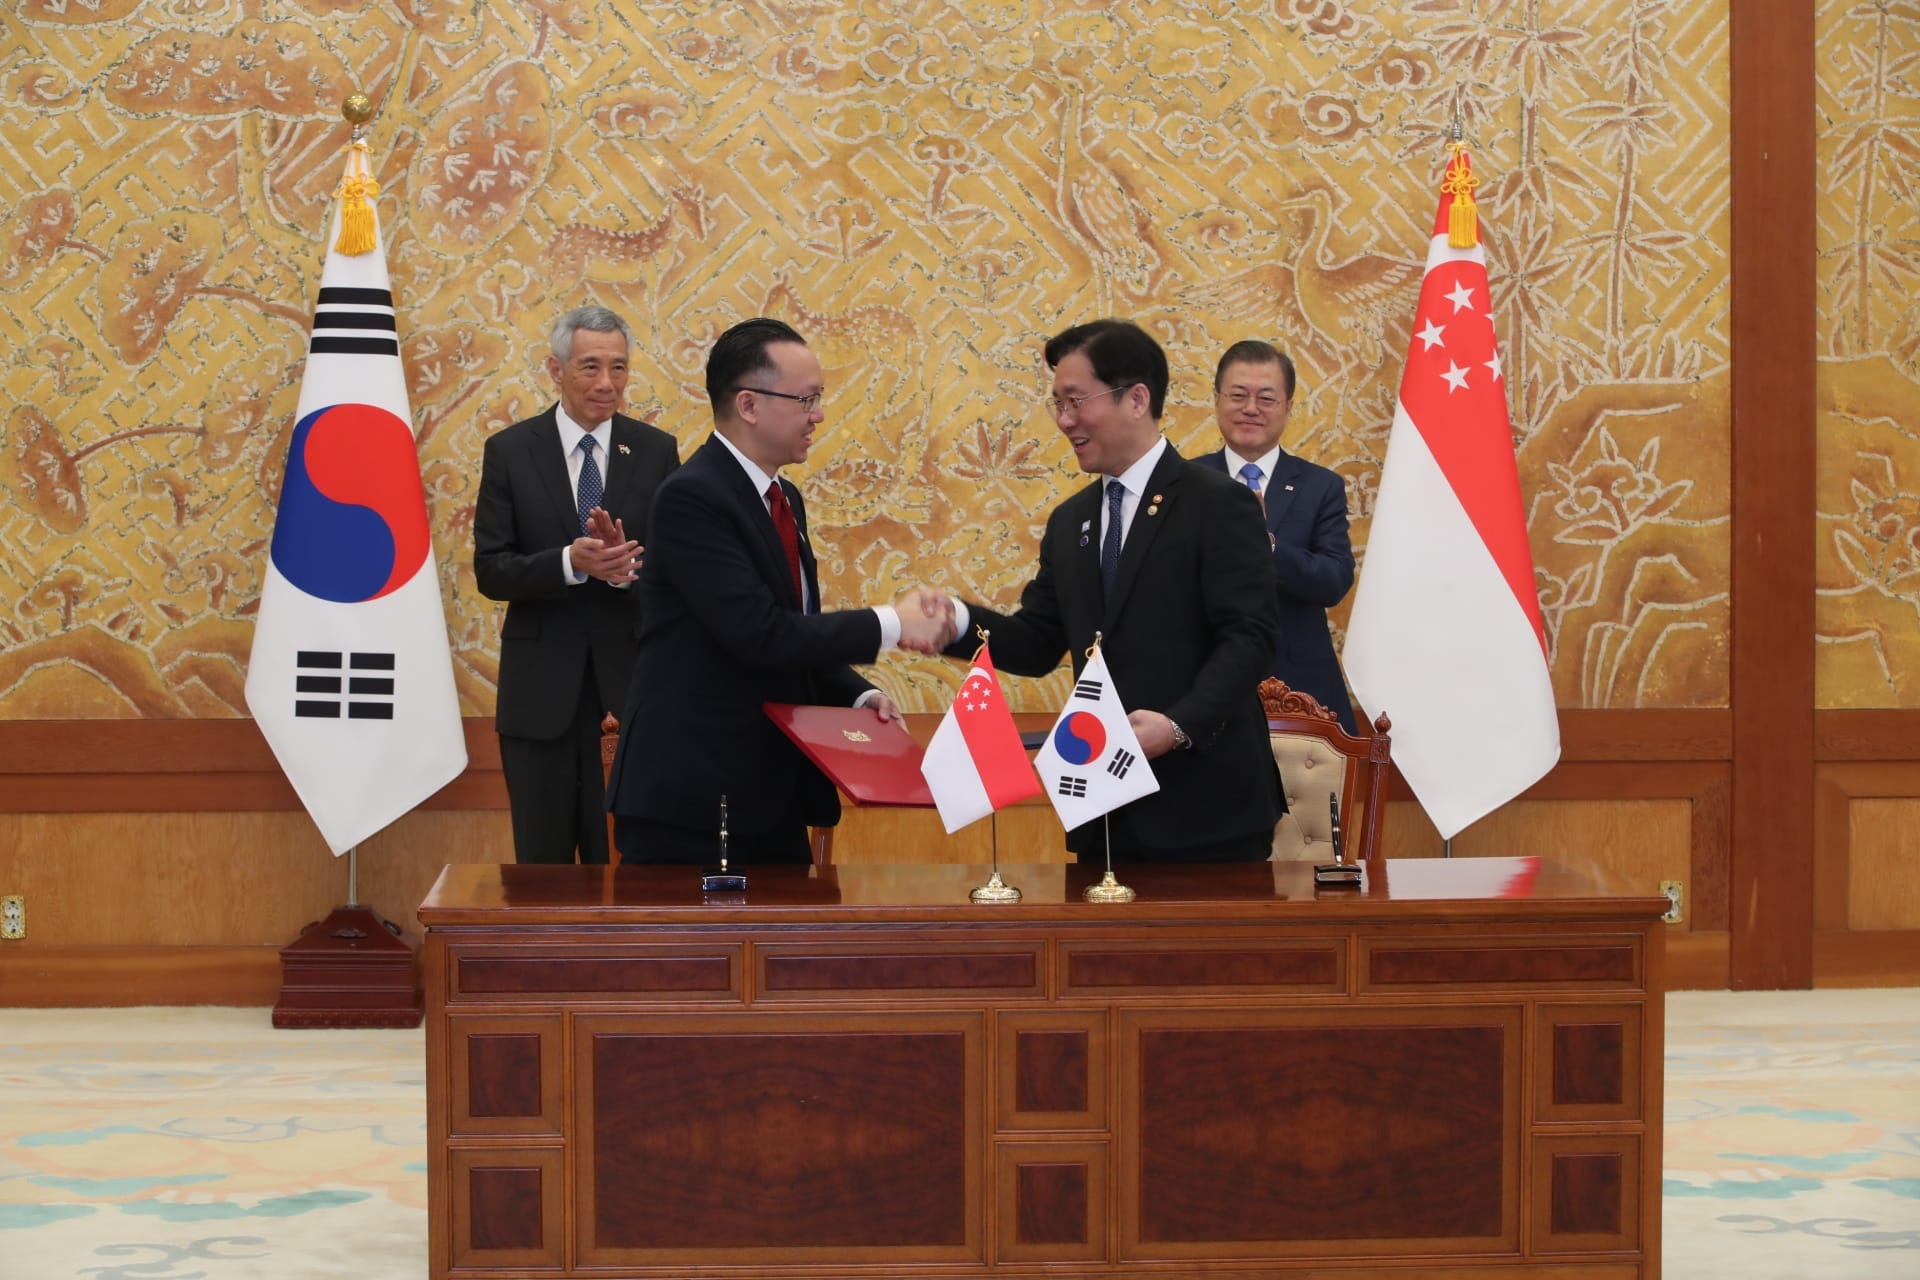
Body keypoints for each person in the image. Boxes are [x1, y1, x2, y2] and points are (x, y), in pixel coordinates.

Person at [603, 317, 952, 865]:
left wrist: (857, 695)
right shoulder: (692, 497)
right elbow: (759, 634)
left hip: (770, 792)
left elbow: (795, 631)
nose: (819, 414)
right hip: (696, 800)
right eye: (806, 399)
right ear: (748, 405)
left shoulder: (784, 498)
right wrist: (893, 623)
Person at [932, 320, 1284, 862]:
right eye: (1057, 404)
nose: (1064, 420)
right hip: (1103, 810)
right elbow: (1037, 642)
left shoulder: (1217, 502)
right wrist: (953, 622)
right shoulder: (1070, 520)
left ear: (1137, 399)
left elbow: (1250, 637)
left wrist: (1178, 726)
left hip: (1206, 809)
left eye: (1075, 401)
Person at [473, 304, 680, 864]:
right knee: (541, 868)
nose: (607, 383)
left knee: (626, 864)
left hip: (631, 690)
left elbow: (676, 574)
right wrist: (570, 562)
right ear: (555, 369)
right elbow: (491, 568)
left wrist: (623, 571)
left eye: (619, 367)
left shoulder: (657, 451)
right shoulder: (511, 452)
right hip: (539, 697)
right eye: (591, 367)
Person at [1194, 340, 1359, 734]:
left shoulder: (1321, 486)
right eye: (1238, 395)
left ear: (1288, 407)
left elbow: (1333, 580)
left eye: (1266, 398)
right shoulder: (1185, 483)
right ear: (1216, 400)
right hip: (1202, 683)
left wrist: (1265, 544)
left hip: (1301, 693)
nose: (1251, 408)